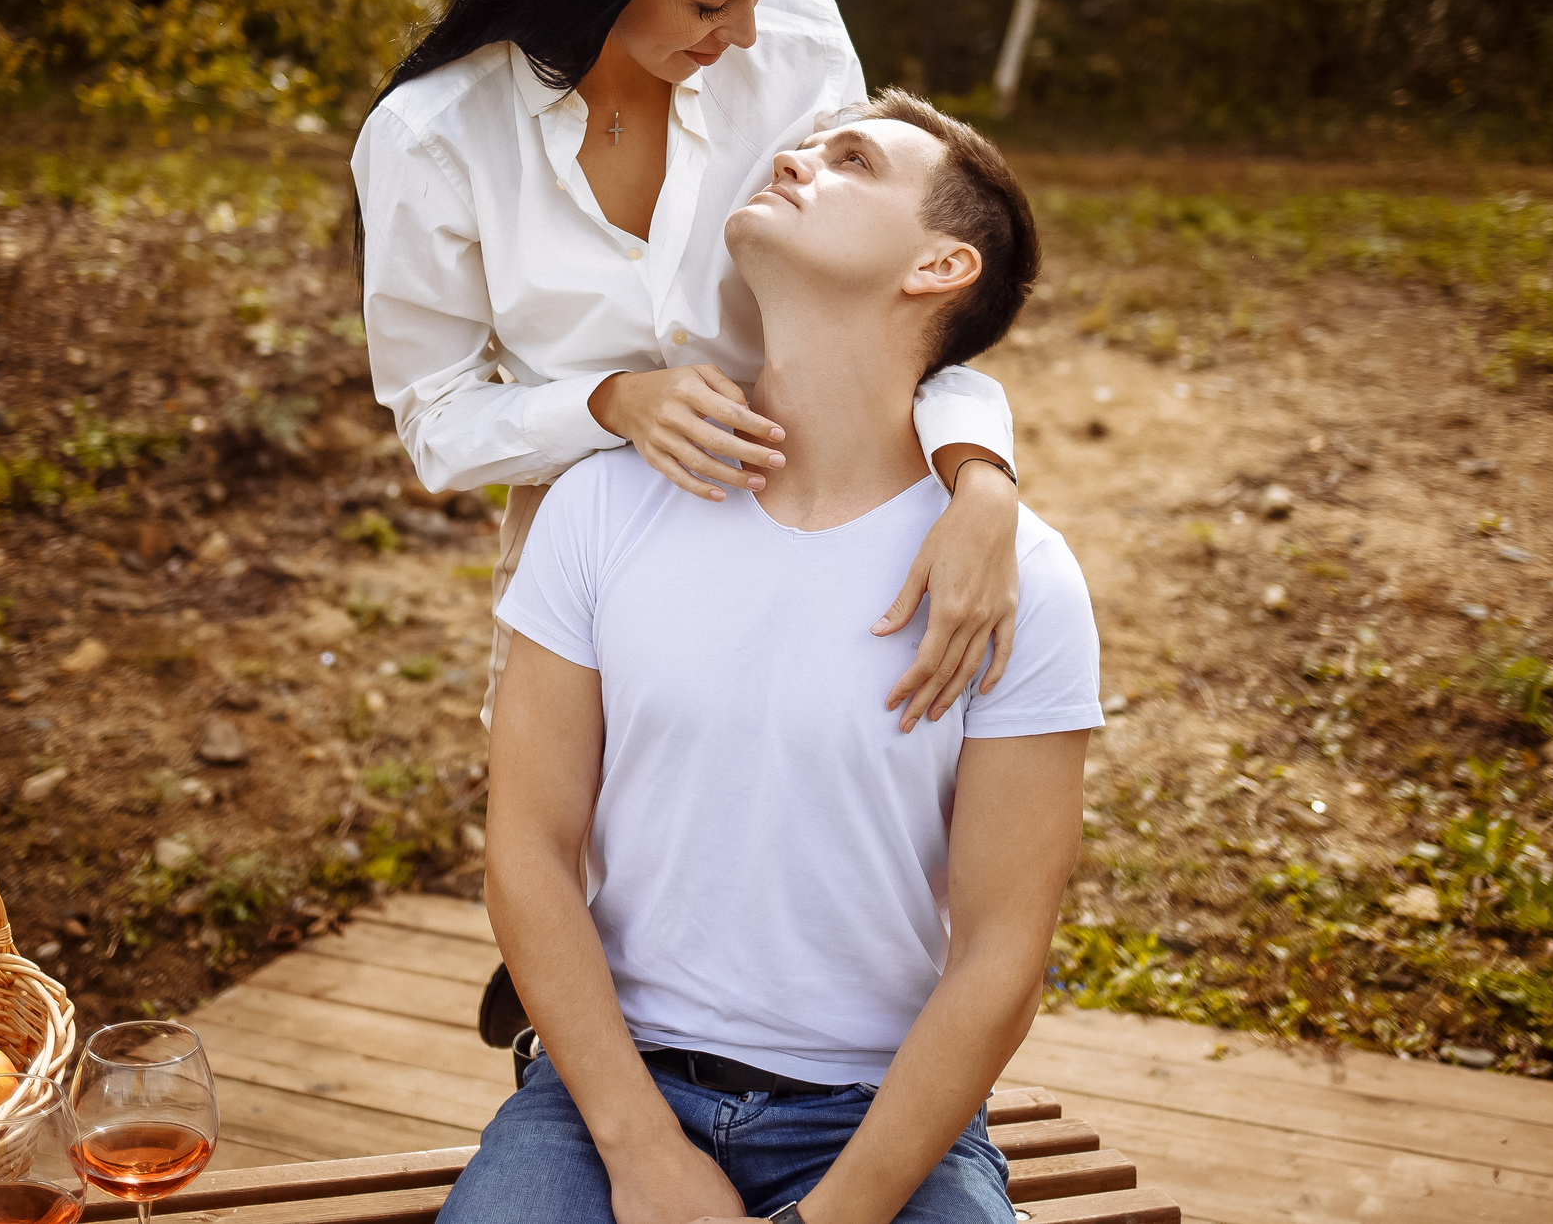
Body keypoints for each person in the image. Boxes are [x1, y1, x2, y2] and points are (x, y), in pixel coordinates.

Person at [443, 96, 1102, 1224]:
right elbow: (529, 848)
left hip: (879, 1116)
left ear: (940, 263)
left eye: (849, 158)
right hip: (613, 1090)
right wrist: (640, 1146)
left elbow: (1001, 951)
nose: (796, 155)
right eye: (806, 143)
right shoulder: (603, 505)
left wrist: (831, 1216)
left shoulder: (1015, 577)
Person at [351, 0, 1027, 741]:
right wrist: (613, 401)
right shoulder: (433, 137)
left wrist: (982, 473)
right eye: (713, 3)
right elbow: (439, 422)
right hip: (586, 540)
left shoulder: (798, 42)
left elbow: (897, 286)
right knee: (573, 850)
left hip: (826, 498)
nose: (748, 32)